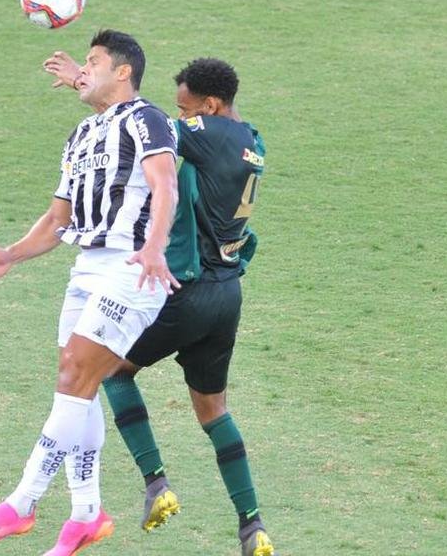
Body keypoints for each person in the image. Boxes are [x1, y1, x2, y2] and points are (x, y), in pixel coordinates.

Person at [0, 29, 179, 556]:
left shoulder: (147, 119)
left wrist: (153, 247)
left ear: (123, 72)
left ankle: (23, 501)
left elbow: (165, 184)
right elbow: (59, 220)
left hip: (131, 266)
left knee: (77, 373)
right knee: (74, 384)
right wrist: (9, 254)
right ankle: (86, 514)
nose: (83, 70)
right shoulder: (81, 136)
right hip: (86, 267)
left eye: (94, 61)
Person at [43, 53, 274, 556]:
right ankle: (252, 525)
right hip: (227, 294)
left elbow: (137, 124)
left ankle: (156, 483)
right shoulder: (251, 140)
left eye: (188, 106)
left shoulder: (206, 132)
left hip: (184, 291)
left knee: (108, 371)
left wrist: (84, 83)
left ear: (210, 105)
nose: (182, 113)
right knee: (213, 411)